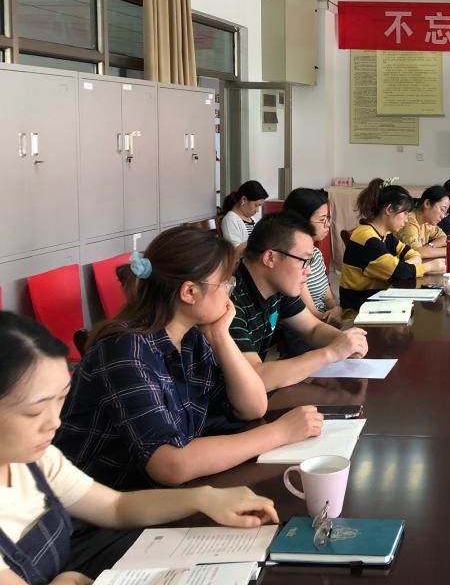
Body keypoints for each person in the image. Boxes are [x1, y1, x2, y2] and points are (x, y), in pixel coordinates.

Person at [0, 312, 279, 584]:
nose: (54, 421)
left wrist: (203, 497)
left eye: (61, 399)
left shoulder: (38, 461)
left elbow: (115, 506)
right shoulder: (125, 352)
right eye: (35, 412)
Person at [56, 228, 324, 491]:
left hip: (153, 495)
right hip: (99, 506)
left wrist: (220, 336)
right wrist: (279, 433)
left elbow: (252, 407)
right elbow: (170, 464)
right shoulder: (126, 351)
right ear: (189, 292)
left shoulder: (191, 337)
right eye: (225, 284)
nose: (230, 293)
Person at [230, 213, 369, 391]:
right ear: (270, 258)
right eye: (304, 261)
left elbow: (313, 329)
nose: (308, 271)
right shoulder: (230, 299)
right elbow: (255, 376)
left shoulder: (277, 285)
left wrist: (345, 341)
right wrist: (331, 353)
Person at [340, 178, 444, 311]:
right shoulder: (366, 238)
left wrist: (404, 267)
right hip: (359, 310)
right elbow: (398, 273)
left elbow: (413, 254)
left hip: (378, 301)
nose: (407, 220)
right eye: (405, 213)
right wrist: (429, 266)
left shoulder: (385, 235)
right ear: (389, 209)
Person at [283, 188, 342, 327]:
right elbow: (313, 315)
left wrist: (336, 309)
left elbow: (328, 299)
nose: (327, 224)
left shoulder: (316, 253)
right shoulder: (293, 261)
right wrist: (335, 318)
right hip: (307, 326)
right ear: (301, 221)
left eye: (328, 218)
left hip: (323, 320)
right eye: (322, 220)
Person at [398, 185, 450, 261]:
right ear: (427, 203)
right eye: (442, 209)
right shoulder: (409, 221)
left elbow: (445, 239)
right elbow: (417, 253)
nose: (443, 216)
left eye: (445, 213)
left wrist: (430, 246)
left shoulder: (427, 222)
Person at [219, 180, 269, 248]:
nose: (257, 210)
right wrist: (257, 239)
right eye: (256, 205)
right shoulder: (230, 220)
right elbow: (235, 251)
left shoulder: (252, 219)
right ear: (244, 200)